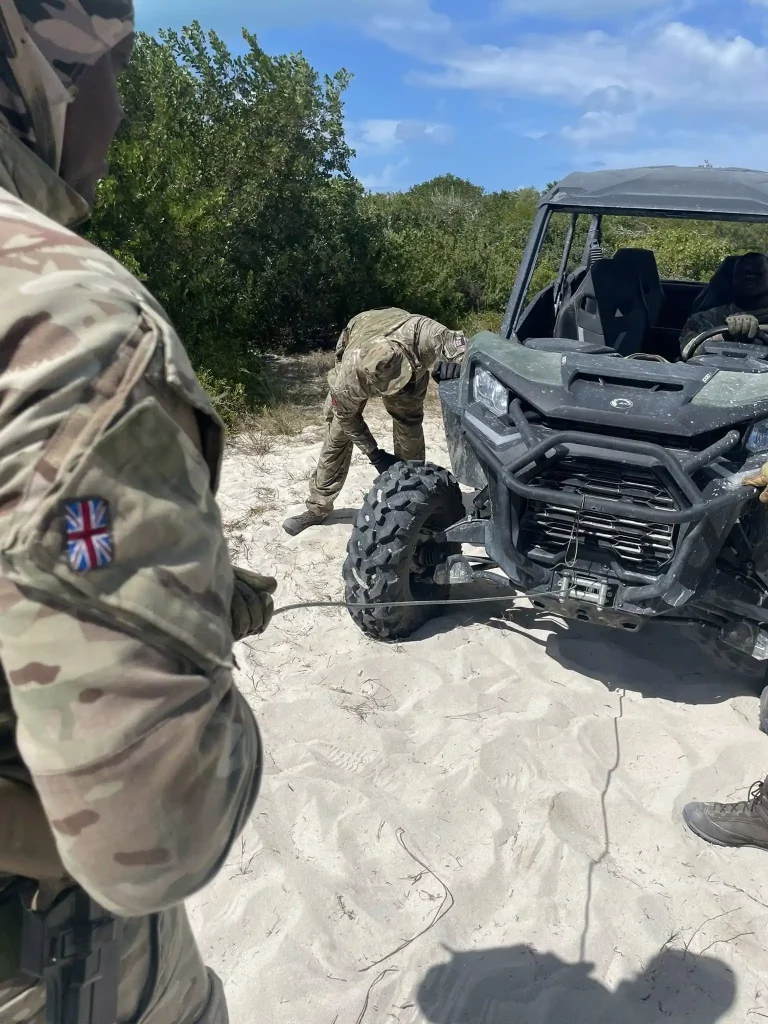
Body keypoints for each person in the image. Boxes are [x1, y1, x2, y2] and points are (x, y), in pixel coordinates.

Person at [0, 3, 276, 1021]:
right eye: (111, 65)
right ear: (38, 72)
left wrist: (196, 588)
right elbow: (155, 826)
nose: (119, 104)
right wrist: (198, 658)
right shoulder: (63, 320)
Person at [282, 307, 467, 536]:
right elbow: (346, 417)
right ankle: (318, 507)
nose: (392, 392)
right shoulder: (349, 376)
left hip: (413, 372)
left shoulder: (423, 331)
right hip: (358, 336)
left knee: (408, 427)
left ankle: (414, 497)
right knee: (337, 434)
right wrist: (375, 455)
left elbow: (467, 349)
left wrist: (457, 367)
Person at [681, 251, 768, 353]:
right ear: (732, 277)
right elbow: (688, 349)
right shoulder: (704, 319)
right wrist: (723, 335)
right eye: (744, 273)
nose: (750, 277)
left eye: (757, 273)